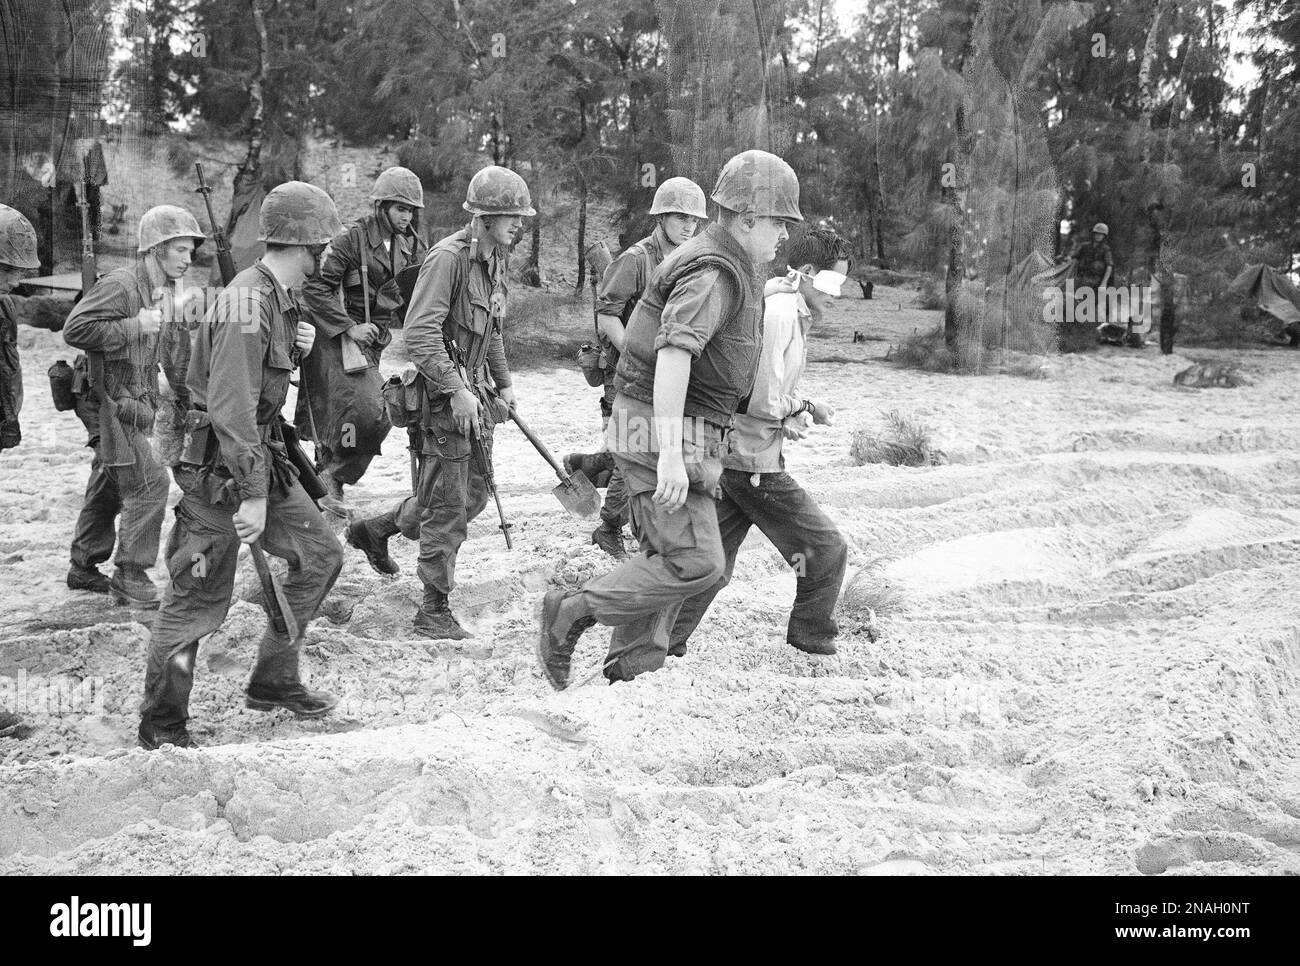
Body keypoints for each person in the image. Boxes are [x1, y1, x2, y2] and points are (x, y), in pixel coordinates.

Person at [536, 149, 802, 689]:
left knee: (684, 555)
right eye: (779, 223)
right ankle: (569, 612)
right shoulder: (714, 272)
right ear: (748, 219)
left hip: (682, 430)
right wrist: (674, 456)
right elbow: (675, 355)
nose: (784, 236)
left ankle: (631, 666)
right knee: (696, 560)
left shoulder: (731, 264)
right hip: (658, 431)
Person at [138, 182, 345, 750]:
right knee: (196, 603)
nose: (326, 253)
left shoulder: (277, 297)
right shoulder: (247, 302)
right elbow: (230, 408)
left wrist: (297, 347)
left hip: (258, 460)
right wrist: (253, 495)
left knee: (321, 555)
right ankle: (162, 726)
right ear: (311, 244)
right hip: (217, 475)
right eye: (323, 242)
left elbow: (256, 387)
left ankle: (274, 681)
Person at [345, 165, 531, 640]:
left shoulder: (494, 259)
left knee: (470, 496)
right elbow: (421, 335)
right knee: (448, 507)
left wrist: (503, 384)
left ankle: (377, 529)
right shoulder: (447, 260)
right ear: (484, 217)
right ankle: (433, 609)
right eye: (509, 215)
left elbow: (491, 331)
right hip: (443, 401)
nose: (518, 224)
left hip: (473, 397)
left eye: (518, 216)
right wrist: (457, 389)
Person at [668, 227, 850, 658]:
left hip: (740, 453)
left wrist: (789, 415)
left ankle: (659, 643)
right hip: (750, 462)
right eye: (832, 282)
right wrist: (806, 404)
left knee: (712, 568)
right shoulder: (782, 314)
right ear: (806, 272)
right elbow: (760, 397)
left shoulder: (784, 306)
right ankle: (812, 640)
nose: (837, 295)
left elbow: (757, 391)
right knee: (825, 549)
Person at [62, 205, 205, 605]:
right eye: (180, 250)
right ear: (156, 249)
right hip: (102, 397)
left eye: (190, 251)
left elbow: (176, 352)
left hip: (135, 399)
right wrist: (133, 326)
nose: (187, 258)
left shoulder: (168, 293)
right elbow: (75, 329)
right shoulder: (123, 285)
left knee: (112, 475)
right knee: (149, 480)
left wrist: (186, 400)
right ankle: (131, 573)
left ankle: (83, 565)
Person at [563, 177, 707, 559]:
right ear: (661, 217)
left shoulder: (689, 257)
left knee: (638, 443)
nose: (688, 225)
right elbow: (607, 315)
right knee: (641, 444)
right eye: (679, 217)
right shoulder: (636, 259)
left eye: (693, 218)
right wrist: (637, 353)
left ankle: (590, 465)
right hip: (628, 368)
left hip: (667, 367)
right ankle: (610, 526)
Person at [297, 166, 429, 501]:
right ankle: (330, 477)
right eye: (401, 208)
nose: (407, 215)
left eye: (411, 209)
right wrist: (349, 326)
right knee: (372, 412)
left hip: (372, 344)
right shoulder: (350, 240)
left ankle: (326, 485)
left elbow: (410, 295)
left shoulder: (408, 246)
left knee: (347, 414)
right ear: (381, 207)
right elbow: (315, 289)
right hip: (334, 340)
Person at [0, 204, 41, 455]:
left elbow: (7, 367)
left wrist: (8, 417)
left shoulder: (4, 306)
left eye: (18, 271)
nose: (15, 282)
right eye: (5, 270)